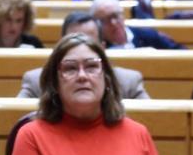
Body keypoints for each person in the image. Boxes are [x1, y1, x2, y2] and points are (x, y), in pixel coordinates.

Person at [6, 33, 167, 155]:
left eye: (91, 67)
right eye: (70, 68)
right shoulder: (31, 135)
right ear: (55, 82)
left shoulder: (138, 133)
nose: (82, 76)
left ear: (107, 78)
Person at [18, 12, 148, 99]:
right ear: (60, 48)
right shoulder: (37, 82)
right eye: (74, 42)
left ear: (102, 48)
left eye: (89, 42)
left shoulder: (127, 82)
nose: (81, 48)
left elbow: (151, 123)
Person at [91, 0, 183, 50]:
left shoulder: (148, 35)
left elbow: (181, 52)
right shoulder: (99, 48)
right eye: (106, 20)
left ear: (123, 15)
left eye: (115, 16)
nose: (113, 23)